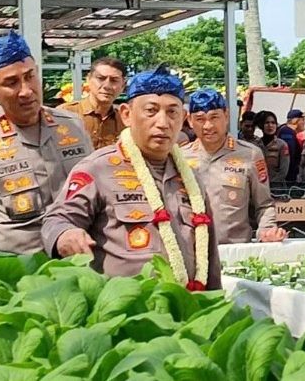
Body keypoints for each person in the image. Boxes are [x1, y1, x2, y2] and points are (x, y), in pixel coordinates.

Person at [41, 66, 221, 290]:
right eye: (151, 111)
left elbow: (209, 256)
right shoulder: (98, 168)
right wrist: (65, 234)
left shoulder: (191, 178)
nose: (163, 122)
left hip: (184, 311)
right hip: (125, 314)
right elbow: (56, 220)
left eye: (172, 112)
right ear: (126, 114)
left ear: (183, 118)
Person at [0, 31, 93, 253]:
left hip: (82, 266)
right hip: (20, 276)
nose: (26, 91)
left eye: (30, 76)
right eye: (12, 83)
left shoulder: (73, 126)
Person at [183, 89, 286, 245]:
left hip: (235, 251)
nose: (208, 126)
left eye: (214, 117)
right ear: (190, 121)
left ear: (226, 116)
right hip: (192, 252)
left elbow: (264, 205)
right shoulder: (179, 157)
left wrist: (267, 230)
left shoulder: (250, 154)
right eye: (200, 119)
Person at [57, 57, 126, 149]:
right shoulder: (64, 114)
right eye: (101, 78)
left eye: (114, 80)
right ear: (88, 79)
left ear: (123, 85)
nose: (107, 86)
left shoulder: (126, 120)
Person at [257, 110, 289, 183]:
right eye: (267, 123)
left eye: (273, 123)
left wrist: (272, 184)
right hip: (259, 186)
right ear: (262, 125)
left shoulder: (282, 145)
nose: (270, 125)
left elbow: (283, 171)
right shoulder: (256, 144)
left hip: (277, 189)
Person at [278, 109, 305, 182]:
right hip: (288, 177)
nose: (304, 123)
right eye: (302, 120)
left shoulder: (288, 131)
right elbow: (289, 155)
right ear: (296, 121)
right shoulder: (287, 132)